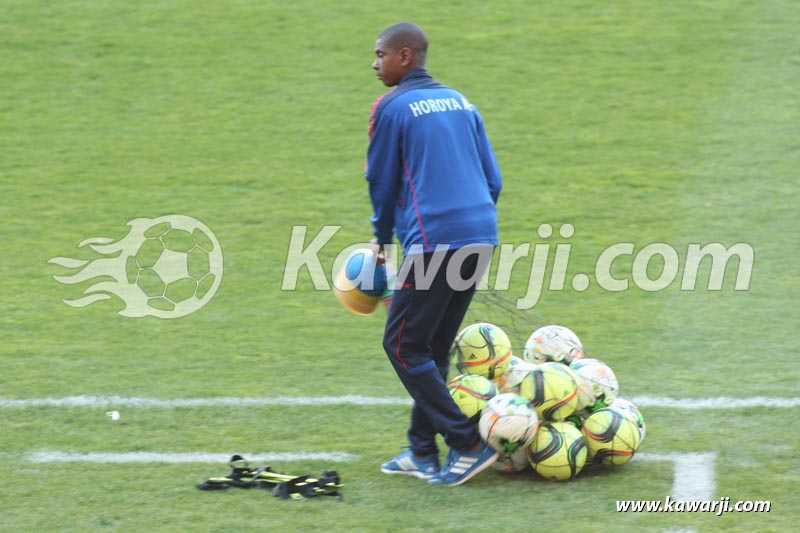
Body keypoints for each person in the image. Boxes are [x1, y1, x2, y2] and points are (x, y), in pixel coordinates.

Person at [365, 22, 503, 486]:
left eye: (381, 54)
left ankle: (467, 443)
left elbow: (381, 180)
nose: (375, 64)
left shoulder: (392, 107)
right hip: (481, 234)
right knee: (432, 347)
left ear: (405, 56)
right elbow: (493, 180)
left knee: (402, 346)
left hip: (435, 241)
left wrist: (381, 239)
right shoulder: (462, 102)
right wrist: (471, 225)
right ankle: (421, 450)